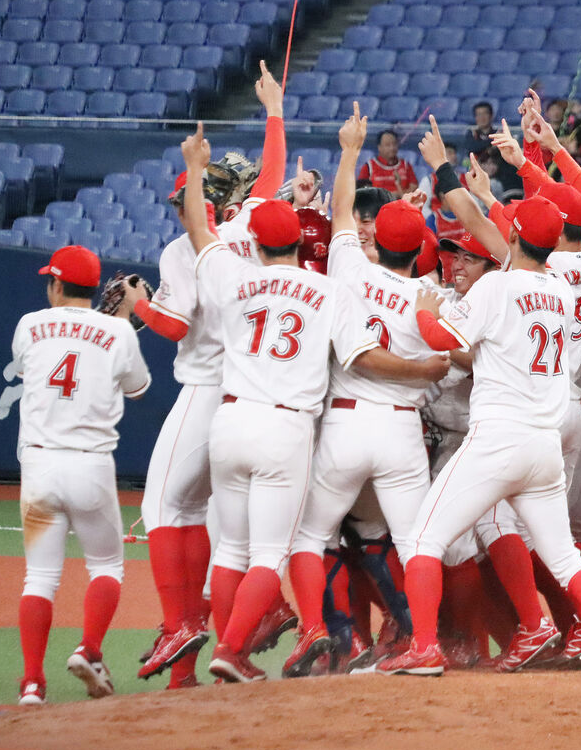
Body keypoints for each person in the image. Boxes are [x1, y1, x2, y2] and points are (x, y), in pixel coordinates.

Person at [376, 121, 581, 682]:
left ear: (518, 236)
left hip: (499, 439)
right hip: (547, 446)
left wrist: (427, 308)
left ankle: (425, 647)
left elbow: (443, 341)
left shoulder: (498, 286)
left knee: (425, 537)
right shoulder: (561, 289)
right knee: (566, 558)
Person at [173, 123, 440, 683]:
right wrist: (425, 369)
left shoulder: (236, 277)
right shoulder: (331, 288)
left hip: (231, 419)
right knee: (279, 552)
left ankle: (243, 645)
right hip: (293, 429)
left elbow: (199, 231)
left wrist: (196, 169)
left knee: (237, 552)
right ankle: (237, 650)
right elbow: (362, 353)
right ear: (299, 240)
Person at [126, 62, 289, 689]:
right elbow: (270, 178)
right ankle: (238, 631)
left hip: (206, 388)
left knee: (163, 504)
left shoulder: (188, 248)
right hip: (255, 387)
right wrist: (274, 112)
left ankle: (179, 622)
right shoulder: (254, 226)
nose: (178, 207)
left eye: (184, 197)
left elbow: (169, 326)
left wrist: (137, 302)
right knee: (219, 522)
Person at [282, 104, 450, 678]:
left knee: (309, 534)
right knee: (416, 542)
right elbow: (452, 354)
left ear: (378, 238)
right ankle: (424, 643)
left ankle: (330, 638)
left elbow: (345, 208)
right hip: (403, 430)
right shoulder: (431, 294)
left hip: (345, 423)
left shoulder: (347, 263)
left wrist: (350, 150)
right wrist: (427, 367)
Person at [14, 245, 151, 705]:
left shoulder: (29, 325)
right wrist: (126, 324)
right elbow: (138, 390)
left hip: (38, 466)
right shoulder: (118, 331)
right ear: (97, 289)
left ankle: (33, 682)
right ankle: (89, 649)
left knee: (39, 578)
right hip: (90, 465)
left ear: (56, 284)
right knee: (107, 565)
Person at [358, 129, 418, 194]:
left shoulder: (406, 165)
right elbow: (362, 191)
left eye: (394, 144)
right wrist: (392, 195)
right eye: (387, 145)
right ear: (379, 147)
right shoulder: (369, 167)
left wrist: (399, 194)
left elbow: (414, 188)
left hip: (401, 202)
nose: (392, 148)